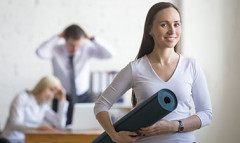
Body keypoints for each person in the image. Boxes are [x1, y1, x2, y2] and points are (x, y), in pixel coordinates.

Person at [94, 2, 212, 143]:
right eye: (164, 25)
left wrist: (174, 126)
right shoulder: (135, 68)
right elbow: (101, 105)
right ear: (150, 29)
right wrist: (115, 135)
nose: (172, 31)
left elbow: (206, 114)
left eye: (176, 24)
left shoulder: (191, 66)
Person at [36, 24, 115, 125]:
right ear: (65, 40)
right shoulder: (56, 49)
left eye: (78, 45)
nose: (75, 48)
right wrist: (57, 36)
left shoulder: (86, 48)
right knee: (60, 128)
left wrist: (91, 38)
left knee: (87, 125)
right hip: (61, 97)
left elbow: (110, 54)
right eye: (72, 45)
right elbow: (40, 52)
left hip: (83, 96)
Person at [0, 76, 68, 143]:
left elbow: (60, 124)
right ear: (43, 86)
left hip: (26, 140)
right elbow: (15, 124)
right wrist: (37, 128)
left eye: (54, 93)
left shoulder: (43, 106)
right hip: (10, 139)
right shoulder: (22, 97)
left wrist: (62, 101)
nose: (51, 95)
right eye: (51, 90)